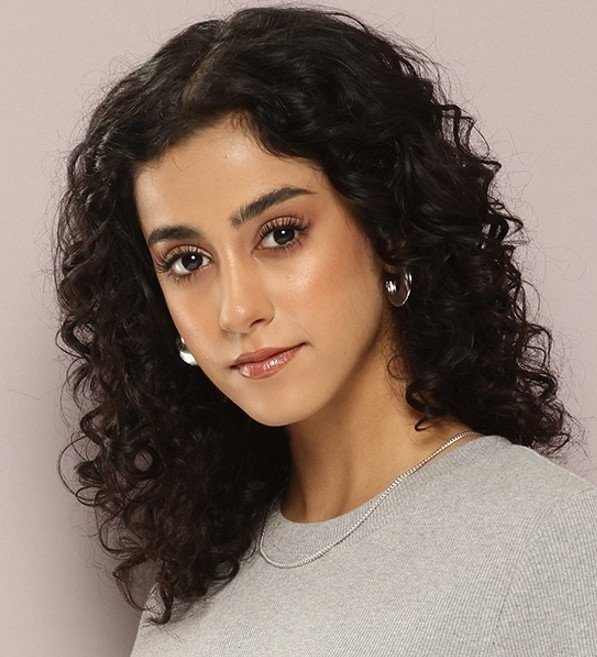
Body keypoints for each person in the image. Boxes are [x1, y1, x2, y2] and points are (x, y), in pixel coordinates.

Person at [52, 4, 597, 655]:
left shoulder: (551, 541)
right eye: (188, 261)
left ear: (388, 230)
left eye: (280, 234)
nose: (235, 310)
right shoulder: (189, 593)